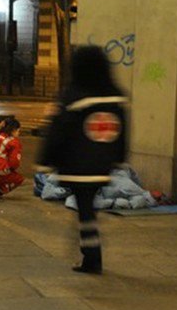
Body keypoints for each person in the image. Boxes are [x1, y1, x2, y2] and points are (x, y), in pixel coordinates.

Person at [37, 46, 128, 274]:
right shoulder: (116, 95)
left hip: (77, 166)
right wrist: (118, 158)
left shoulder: (73, 94)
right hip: (102, 166)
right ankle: (90, 252)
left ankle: (92, 257)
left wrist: (45, 159)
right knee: (87, 210)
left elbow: (58, 130)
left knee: (85, 212)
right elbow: (123, 132)